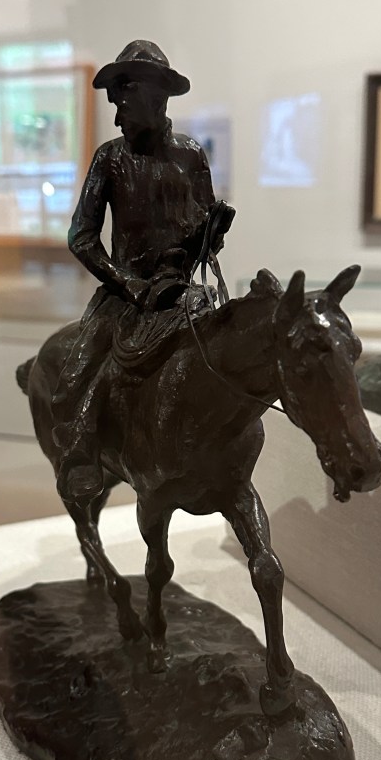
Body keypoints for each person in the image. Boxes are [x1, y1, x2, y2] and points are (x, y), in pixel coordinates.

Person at [51, 41, 233, 502]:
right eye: (115, 105)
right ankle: (80, 454)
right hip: (126, 295)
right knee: (76, 377)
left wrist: (211, 234)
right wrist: (128, 283)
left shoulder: (191, 155)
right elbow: (81, 236)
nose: (117, 118)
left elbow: (203, 232)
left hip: (182, 292)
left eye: (124, 104)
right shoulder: (110, 158)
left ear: (155, 98)